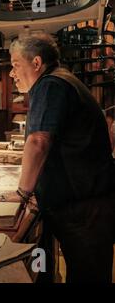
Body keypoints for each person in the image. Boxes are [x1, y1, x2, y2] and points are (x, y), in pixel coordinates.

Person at [8, 33, 115, 283]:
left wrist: (23, 193)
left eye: (15, 65)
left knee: (88, 277)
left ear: (36, 63)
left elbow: (38, 141)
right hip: (85, 205)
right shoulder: (62, 80)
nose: (12, 73)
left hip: (85, 210)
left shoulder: (50, 84)